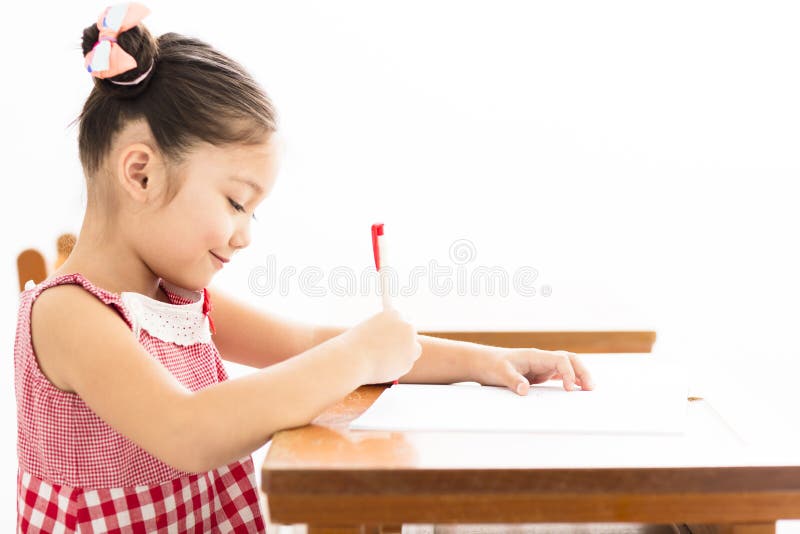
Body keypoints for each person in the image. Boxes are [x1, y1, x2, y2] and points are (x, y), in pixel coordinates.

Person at [14, 3, 594, 532]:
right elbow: (188, 432)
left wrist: (486, 361)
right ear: (140, 173)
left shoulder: (176, 302)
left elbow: (308, 342)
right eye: (236, 203)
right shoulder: (70, 314)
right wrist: (359, 355)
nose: (244, 236)